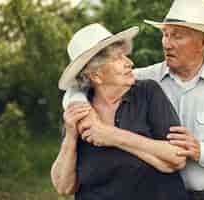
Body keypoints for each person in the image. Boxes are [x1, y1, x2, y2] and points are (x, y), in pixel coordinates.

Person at [62, 0, 204, 200]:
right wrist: (82, 109)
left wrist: (202, 150)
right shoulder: (143, 79)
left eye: (177, 36)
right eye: (165, 34)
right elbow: (85, 82)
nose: (167, 43)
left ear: (203, 42)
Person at [51, 24, 189, 200]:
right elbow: (64, 187)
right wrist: (70, 136)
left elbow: (177, 158)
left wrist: (111, 135)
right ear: (96, 75)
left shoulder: (147, 92)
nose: (129, 63)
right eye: (117, 58)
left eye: (125, 56)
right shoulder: (80, 111)